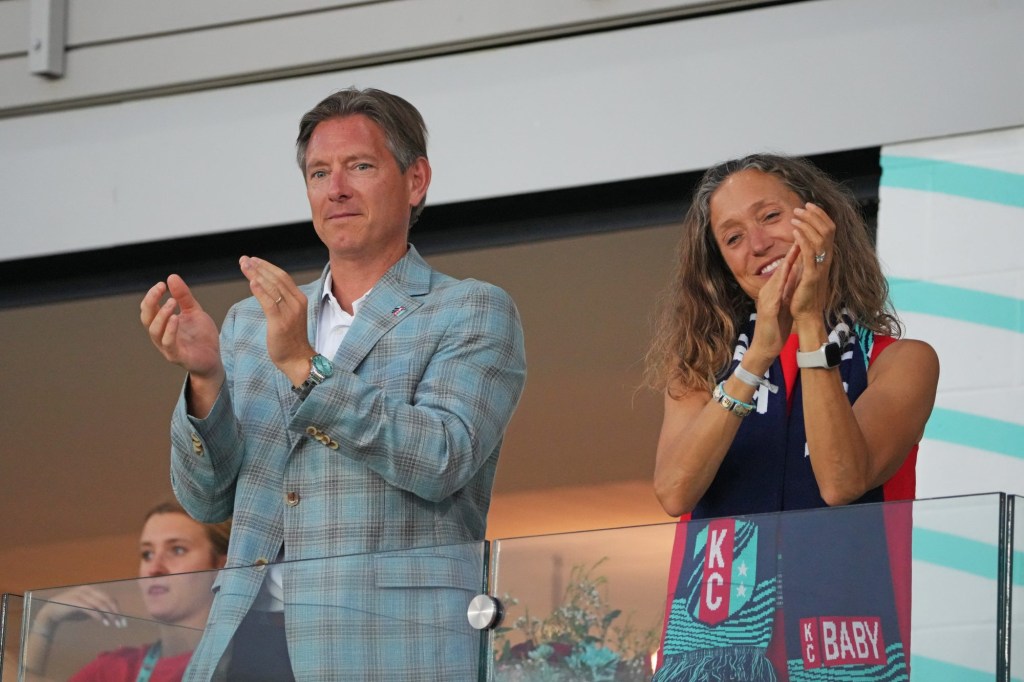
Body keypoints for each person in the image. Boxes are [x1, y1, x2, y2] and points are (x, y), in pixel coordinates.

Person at [139, 87, 527, 681]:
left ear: (416, 179)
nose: (336, 188)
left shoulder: (470, 310)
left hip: (386, 648)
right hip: (248, 643)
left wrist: (305, 367)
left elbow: (442, 457)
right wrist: (205, 379)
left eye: (360, 166)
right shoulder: (252, 322)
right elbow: (205, 500)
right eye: (319, 172)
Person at [645, 153, 939, 681]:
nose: (756, 244)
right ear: (723, 266)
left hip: (848, 651)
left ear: (819, 219)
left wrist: (808, 321)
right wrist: (756, 357)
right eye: (732, 238)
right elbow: (674, 490)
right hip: (715, 660)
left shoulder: (900, 360)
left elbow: (841, 481)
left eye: (770, 217)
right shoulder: (701, 372)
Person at [25, 502, 231, 682]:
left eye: (177, 549)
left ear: (221, 567)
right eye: (147, 554)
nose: (154, 568)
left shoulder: (242, 663)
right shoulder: (116, 669)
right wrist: (45, 620)